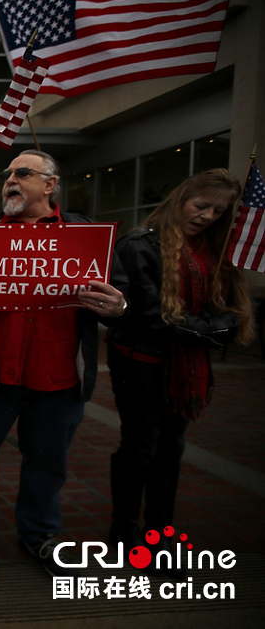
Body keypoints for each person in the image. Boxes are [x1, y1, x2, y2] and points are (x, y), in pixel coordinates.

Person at [0, 149, 128, 582]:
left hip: (57, 375)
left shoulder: (86, 236)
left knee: (48, 461)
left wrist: (118, 304)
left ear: (50, 184)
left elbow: (120, 292)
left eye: (23, 173)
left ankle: (39, 533)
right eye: (7, 175)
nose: (10, 181)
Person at [106, 169, 254, 576]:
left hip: (185, 368)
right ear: (181, 199)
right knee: (141, 448)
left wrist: (215, 326)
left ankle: (159, 534)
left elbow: (223, 311)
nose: (206, 216)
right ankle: (124, 533)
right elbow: (153, 317)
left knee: (171, 451)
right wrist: (215, 330)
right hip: (142, 362)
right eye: (200, 205)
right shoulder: (140, 244)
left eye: (217, 210)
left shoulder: (212, 249)